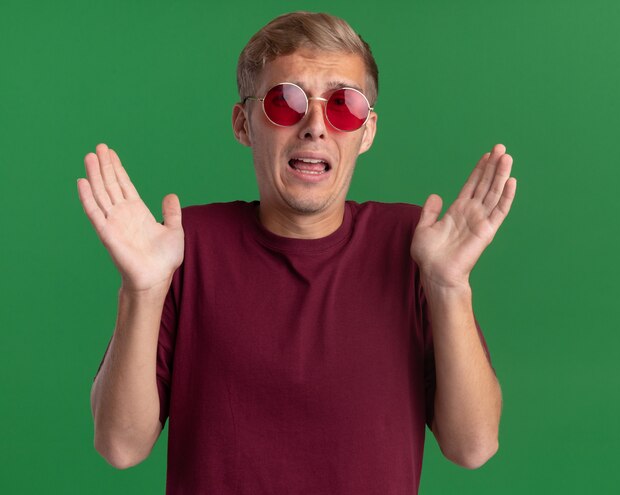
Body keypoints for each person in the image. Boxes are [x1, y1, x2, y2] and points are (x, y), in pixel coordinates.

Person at [78, 11, 516, 494]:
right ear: (244, 124)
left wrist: (449, 287)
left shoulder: (417, 249)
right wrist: (141, 291)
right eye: (285, 102)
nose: (315, 125)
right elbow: (120, 446)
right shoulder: (182, 249)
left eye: (343, 105)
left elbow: (472, 446)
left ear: (367, 131)